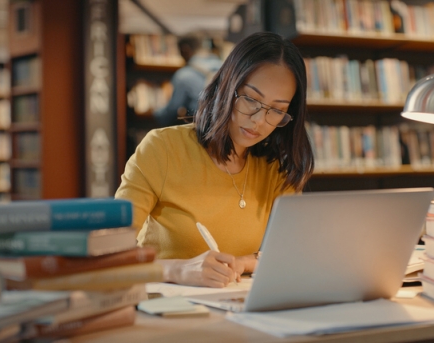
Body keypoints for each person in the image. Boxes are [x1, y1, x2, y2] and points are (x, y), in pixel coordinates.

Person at [115, 31, 314, 288]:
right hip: (165, 309)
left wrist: (243, 263)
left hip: (236, 310)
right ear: (227, 85)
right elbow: (111, 253)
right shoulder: (163, 148)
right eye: (251, 99)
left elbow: (290, 254)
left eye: (277, 110)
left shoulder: (277, 168)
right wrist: (178, 269)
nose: (259, 120)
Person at [152, 34, 223, 126]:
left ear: (184, 49)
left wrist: (156, 114)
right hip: (224, 127)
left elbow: (172, 110)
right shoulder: (224, 66)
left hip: (201, 129)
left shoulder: (183, 75)